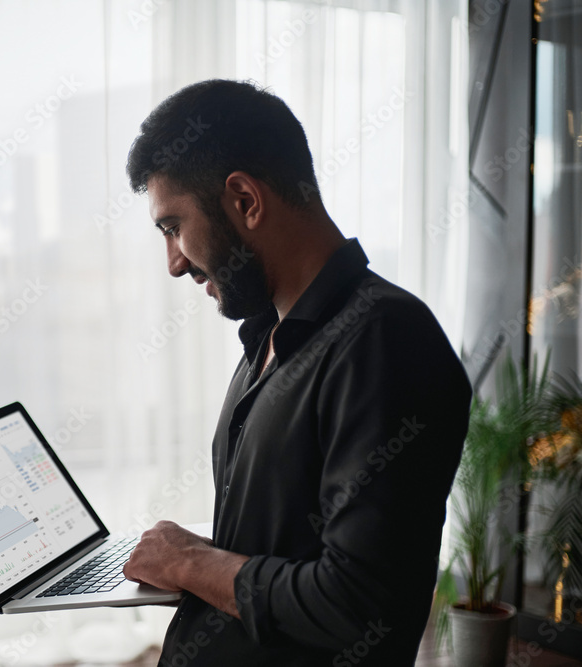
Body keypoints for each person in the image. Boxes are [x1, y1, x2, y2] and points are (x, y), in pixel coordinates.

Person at [120, 79, 472, 665]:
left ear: (245, 200)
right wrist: (194, 562)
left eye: (173, 226)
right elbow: (285, 554)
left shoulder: (386, 339)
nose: (175, 262)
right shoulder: (266, 336)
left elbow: (359, 605)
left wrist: (191, 562)